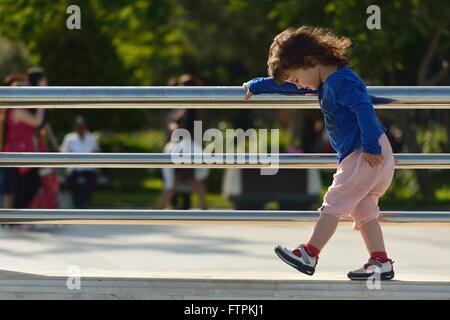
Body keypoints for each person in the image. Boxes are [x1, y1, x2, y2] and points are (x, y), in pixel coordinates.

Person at [243, 26, 396, 281]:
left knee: (333, 205)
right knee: (364, 210)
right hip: (370, 154)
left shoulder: (339, 82)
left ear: (311, 61)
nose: (298, 84)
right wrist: (257, 85)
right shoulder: (327, 80)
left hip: (364, 153)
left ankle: (309, 253)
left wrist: (370, 145)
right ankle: (380, 262)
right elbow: (291, 88)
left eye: (296, 77)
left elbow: (363, 107)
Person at [60, 116, 99, 208]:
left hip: (88, 169)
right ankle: (77, 202)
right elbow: (63, 151)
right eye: (78, 126)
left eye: (82, 125)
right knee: (71, 180)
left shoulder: (91, 138)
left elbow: (96, 152)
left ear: (85, 126)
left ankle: (82, 200)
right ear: (74, 127)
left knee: (91, 180)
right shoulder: (69, 138)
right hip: (74, 168)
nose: (80, 128)